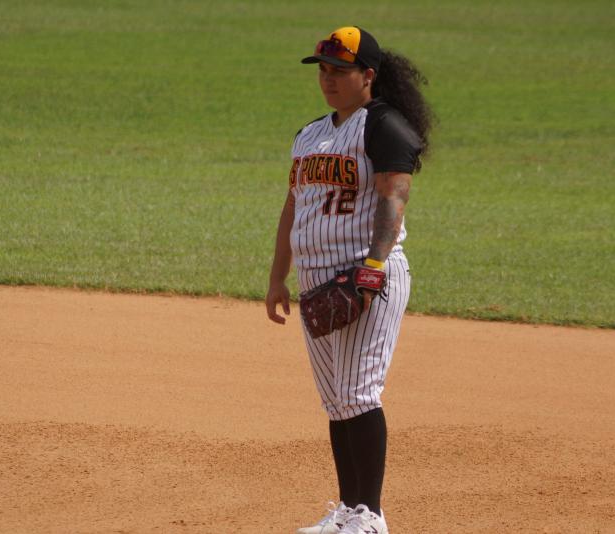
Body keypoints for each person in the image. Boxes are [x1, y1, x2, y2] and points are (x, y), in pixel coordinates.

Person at [265, 25, 433, 534]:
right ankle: (348, 512)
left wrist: (373, 268)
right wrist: (278, 277)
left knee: (359, 393)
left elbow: (393, 199)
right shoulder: (310, 134)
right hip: (319, 281)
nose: (328, 79)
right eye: (323, 69)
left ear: (368, 76)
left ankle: (372, 516)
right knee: (337, 401)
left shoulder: (383, 126)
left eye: (340, 70)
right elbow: (294, 206)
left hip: (365, 278)